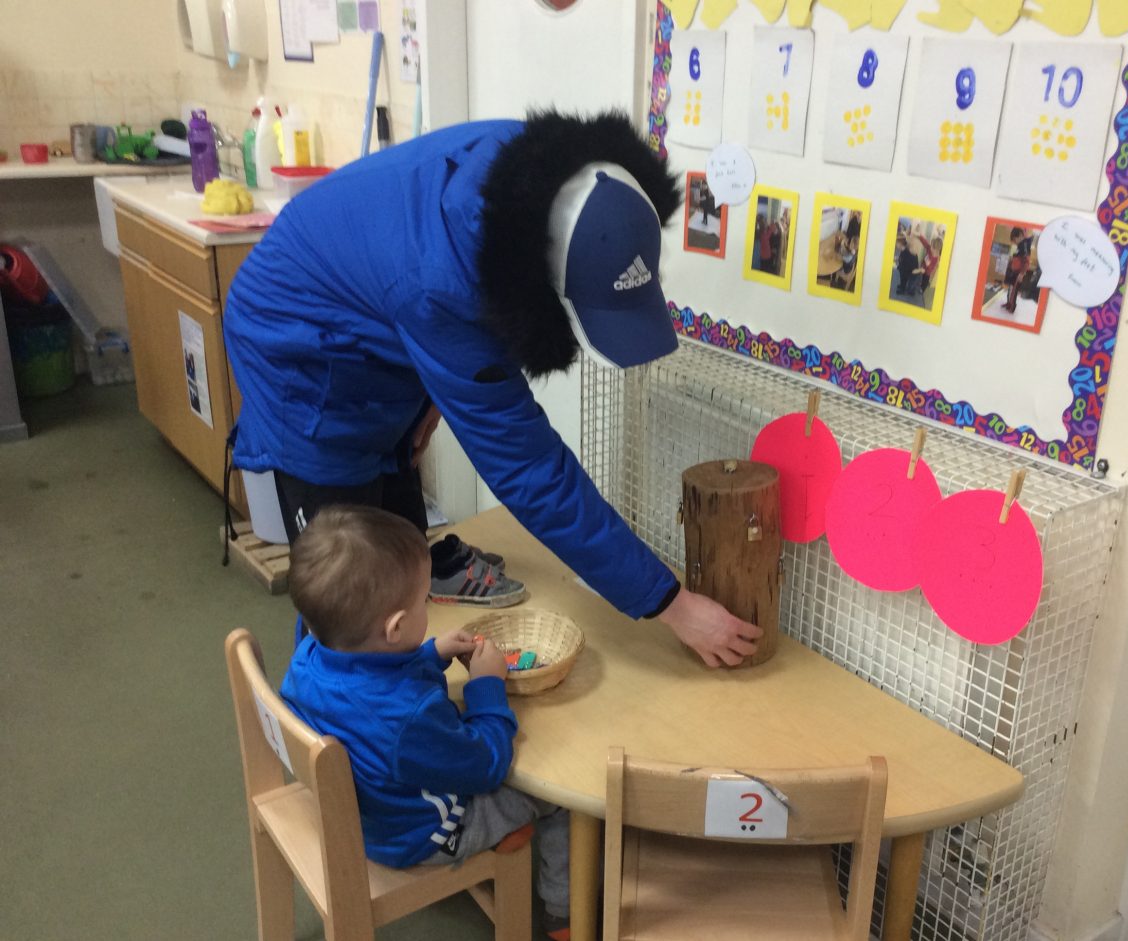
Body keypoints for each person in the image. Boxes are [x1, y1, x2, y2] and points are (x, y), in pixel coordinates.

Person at [224, 111, 760, 667]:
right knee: (351, 588)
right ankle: (325, 713)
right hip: (295, 348)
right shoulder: (443, 285)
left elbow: (405, 294)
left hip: (372, 302)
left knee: (402, 554)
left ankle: (399, 682)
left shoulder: (540, 174)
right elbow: (530, 472)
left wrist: (435, 391)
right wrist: (670, 604)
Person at [280, 505, 571, 939]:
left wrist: (429, 654)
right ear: (396, 628)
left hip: (363, 811)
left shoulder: (308, 652)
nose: (427, 606)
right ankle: (563, 914)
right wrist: (487, 686)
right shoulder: (409, 718)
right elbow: (487, 763)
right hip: (418, 834)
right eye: (423, 601)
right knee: (557, 795)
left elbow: (369, 678)